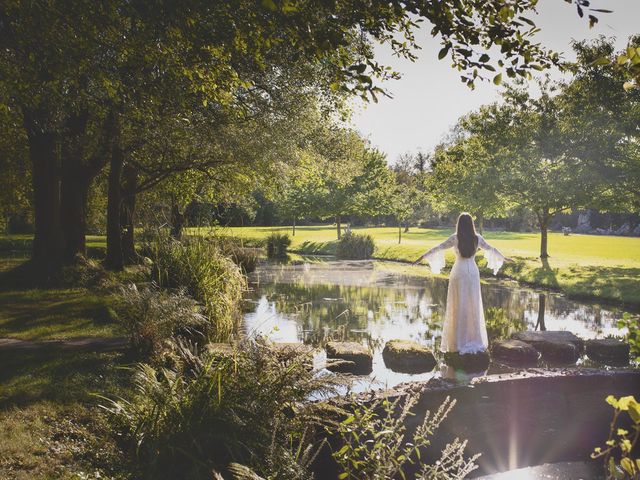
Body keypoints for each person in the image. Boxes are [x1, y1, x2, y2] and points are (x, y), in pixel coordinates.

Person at [413, 213, 511, 354]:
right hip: (473, 273)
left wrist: (421, 257)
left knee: (458, 304)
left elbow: (438, 247)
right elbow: (491, 249)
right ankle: (473, 338)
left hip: (459, 272)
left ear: (459, 224)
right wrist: (504, 258)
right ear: (471, 224)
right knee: (473, 304)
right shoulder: (477, 238)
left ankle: (459, 341)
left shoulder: (455, 238)